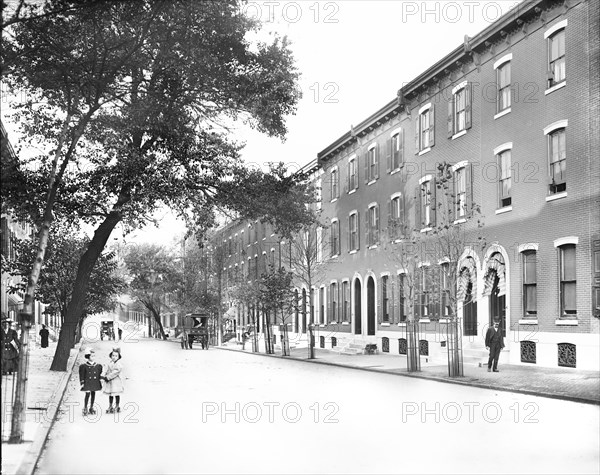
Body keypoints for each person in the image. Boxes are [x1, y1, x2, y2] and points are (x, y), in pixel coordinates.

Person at [79, 347, 103, 415]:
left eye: (94, 356)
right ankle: (85, 407)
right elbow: (82, 375)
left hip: (94, 382)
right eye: (92, 356)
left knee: (93, 394)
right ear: (88, 356)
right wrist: (82, 382)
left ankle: (91, 407)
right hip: (87, 382)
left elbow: (99, 373)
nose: (93, 357)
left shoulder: (98, 366)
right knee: (87, 394)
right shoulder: (84, 366)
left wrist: (101, 380)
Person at [102, 348, 124, 413]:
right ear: (111, 356)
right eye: (113, 356)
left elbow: (115, 372)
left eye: (116, 356)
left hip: (116, 381)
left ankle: (117, 405)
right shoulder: (110, 363)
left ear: (118, 357)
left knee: (116, 394)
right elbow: (106, 370)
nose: (114, 357)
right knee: (110, 394)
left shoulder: (119, 365)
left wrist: (108, 377)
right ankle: (110, 405)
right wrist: (103, 375)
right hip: (110, 382)